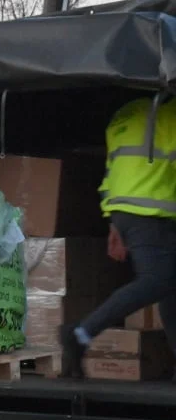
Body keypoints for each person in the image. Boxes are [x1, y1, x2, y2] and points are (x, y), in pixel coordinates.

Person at [60, 95, 176, 377]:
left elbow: (112, 170)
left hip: (128, 211)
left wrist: (114, 222)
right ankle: (81, 334)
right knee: (157, 280)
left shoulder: (125, 113)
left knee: (171, 286)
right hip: (151, 211)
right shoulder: (171, 115)